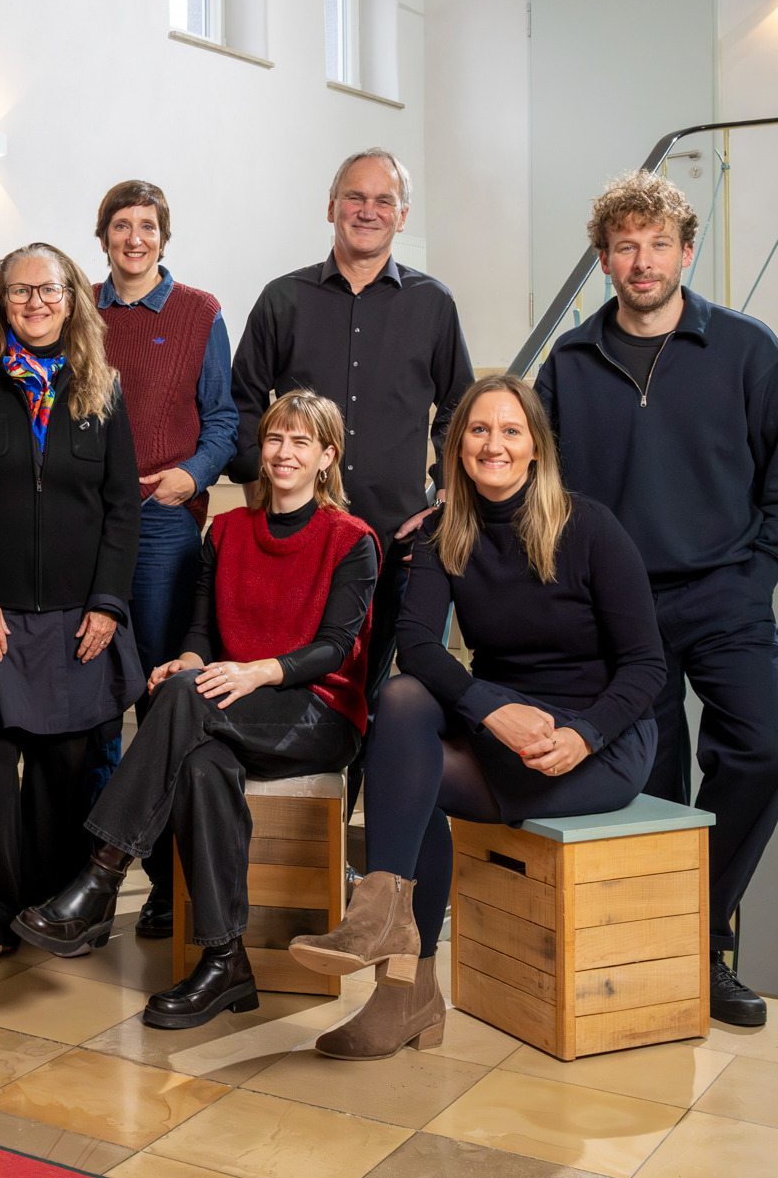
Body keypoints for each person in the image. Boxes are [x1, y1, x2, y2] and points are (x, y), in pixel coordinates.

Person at [286, 374, 665, 1058]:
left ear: (536, 450)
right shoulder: (440, 533)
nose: (494, 443)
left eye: (510, 430)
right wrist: (494, 711)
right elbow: (422, 646)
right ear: (458, 447)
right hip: (505, 730)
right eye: (479, 430)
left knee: (413, 770)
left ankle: (402, 986)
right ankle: (391, 943)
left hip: (595, 741)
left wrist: (583, 734)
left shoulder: (591, 528)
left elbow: (646, 666)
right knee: (402, 702)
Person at [534, 171, 778, 1027]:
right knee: (646, 790)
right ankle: (672, 962)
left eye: (659, 244)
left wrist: (759, 571)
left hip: (730, 592)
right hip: (621, 612)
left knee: (768, 749)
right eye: (626, 246)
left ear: (686, 253)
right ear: (604, 259)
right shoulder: (569, 362)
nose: (643, 260)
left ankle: (698, 935)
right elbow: (536, 485)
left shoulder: (745, 347)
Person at [13, 391, 378, 1028]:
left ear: (327, 457)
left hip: (318, 714)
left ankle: (102, 874)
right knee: (203, 762)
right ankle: (223, 960)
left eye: (301, 443)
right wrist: (188, 657)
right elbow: (202, 631)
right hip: (229, 707)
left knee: (184, 701)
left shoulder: (352, 540)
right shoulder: (229, 529)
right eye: (274, 440)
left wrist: (254, 671)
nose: (284, 453)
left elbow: (335, 649)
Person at [0, 243, 142, 970]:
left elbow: (122, 508)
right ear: (2, 303)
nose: (34, 303)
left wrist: (109, 604)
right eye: (19, 292)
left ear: (72, 297)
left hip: (78, 619)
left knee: (61, 767)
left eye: (47, 290)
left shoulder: (102, 387)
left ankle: (47, 907)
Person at [230, 148, 473, 701]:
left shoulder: (433, 303)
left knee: (389, 693)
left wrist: (445, 497)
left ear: (402, 215)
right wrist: (257, 486)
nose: (368, 210)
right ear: (332, 207)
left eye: (383, 200)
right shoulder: (282, 298)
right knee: (300, 685)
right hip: (299, 539)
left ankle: (377, 790)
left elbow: (460, 410)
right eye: (355, 197)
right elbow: (241, 400)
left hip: (399, 537)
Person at [89, 179, 239, 939]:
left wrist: (194, 475)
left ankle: (161, 876)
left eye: (147, 226)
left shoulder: (199, 312)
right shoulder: (78, 305)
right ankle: (91, 865)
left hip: (161, 524)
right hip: (85, 525)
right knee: (90, 699)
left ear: (163, 235)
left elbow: (225, 417)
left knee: (158, 697)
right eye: (122, 225)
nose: (134, 238)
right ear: (104, 235)